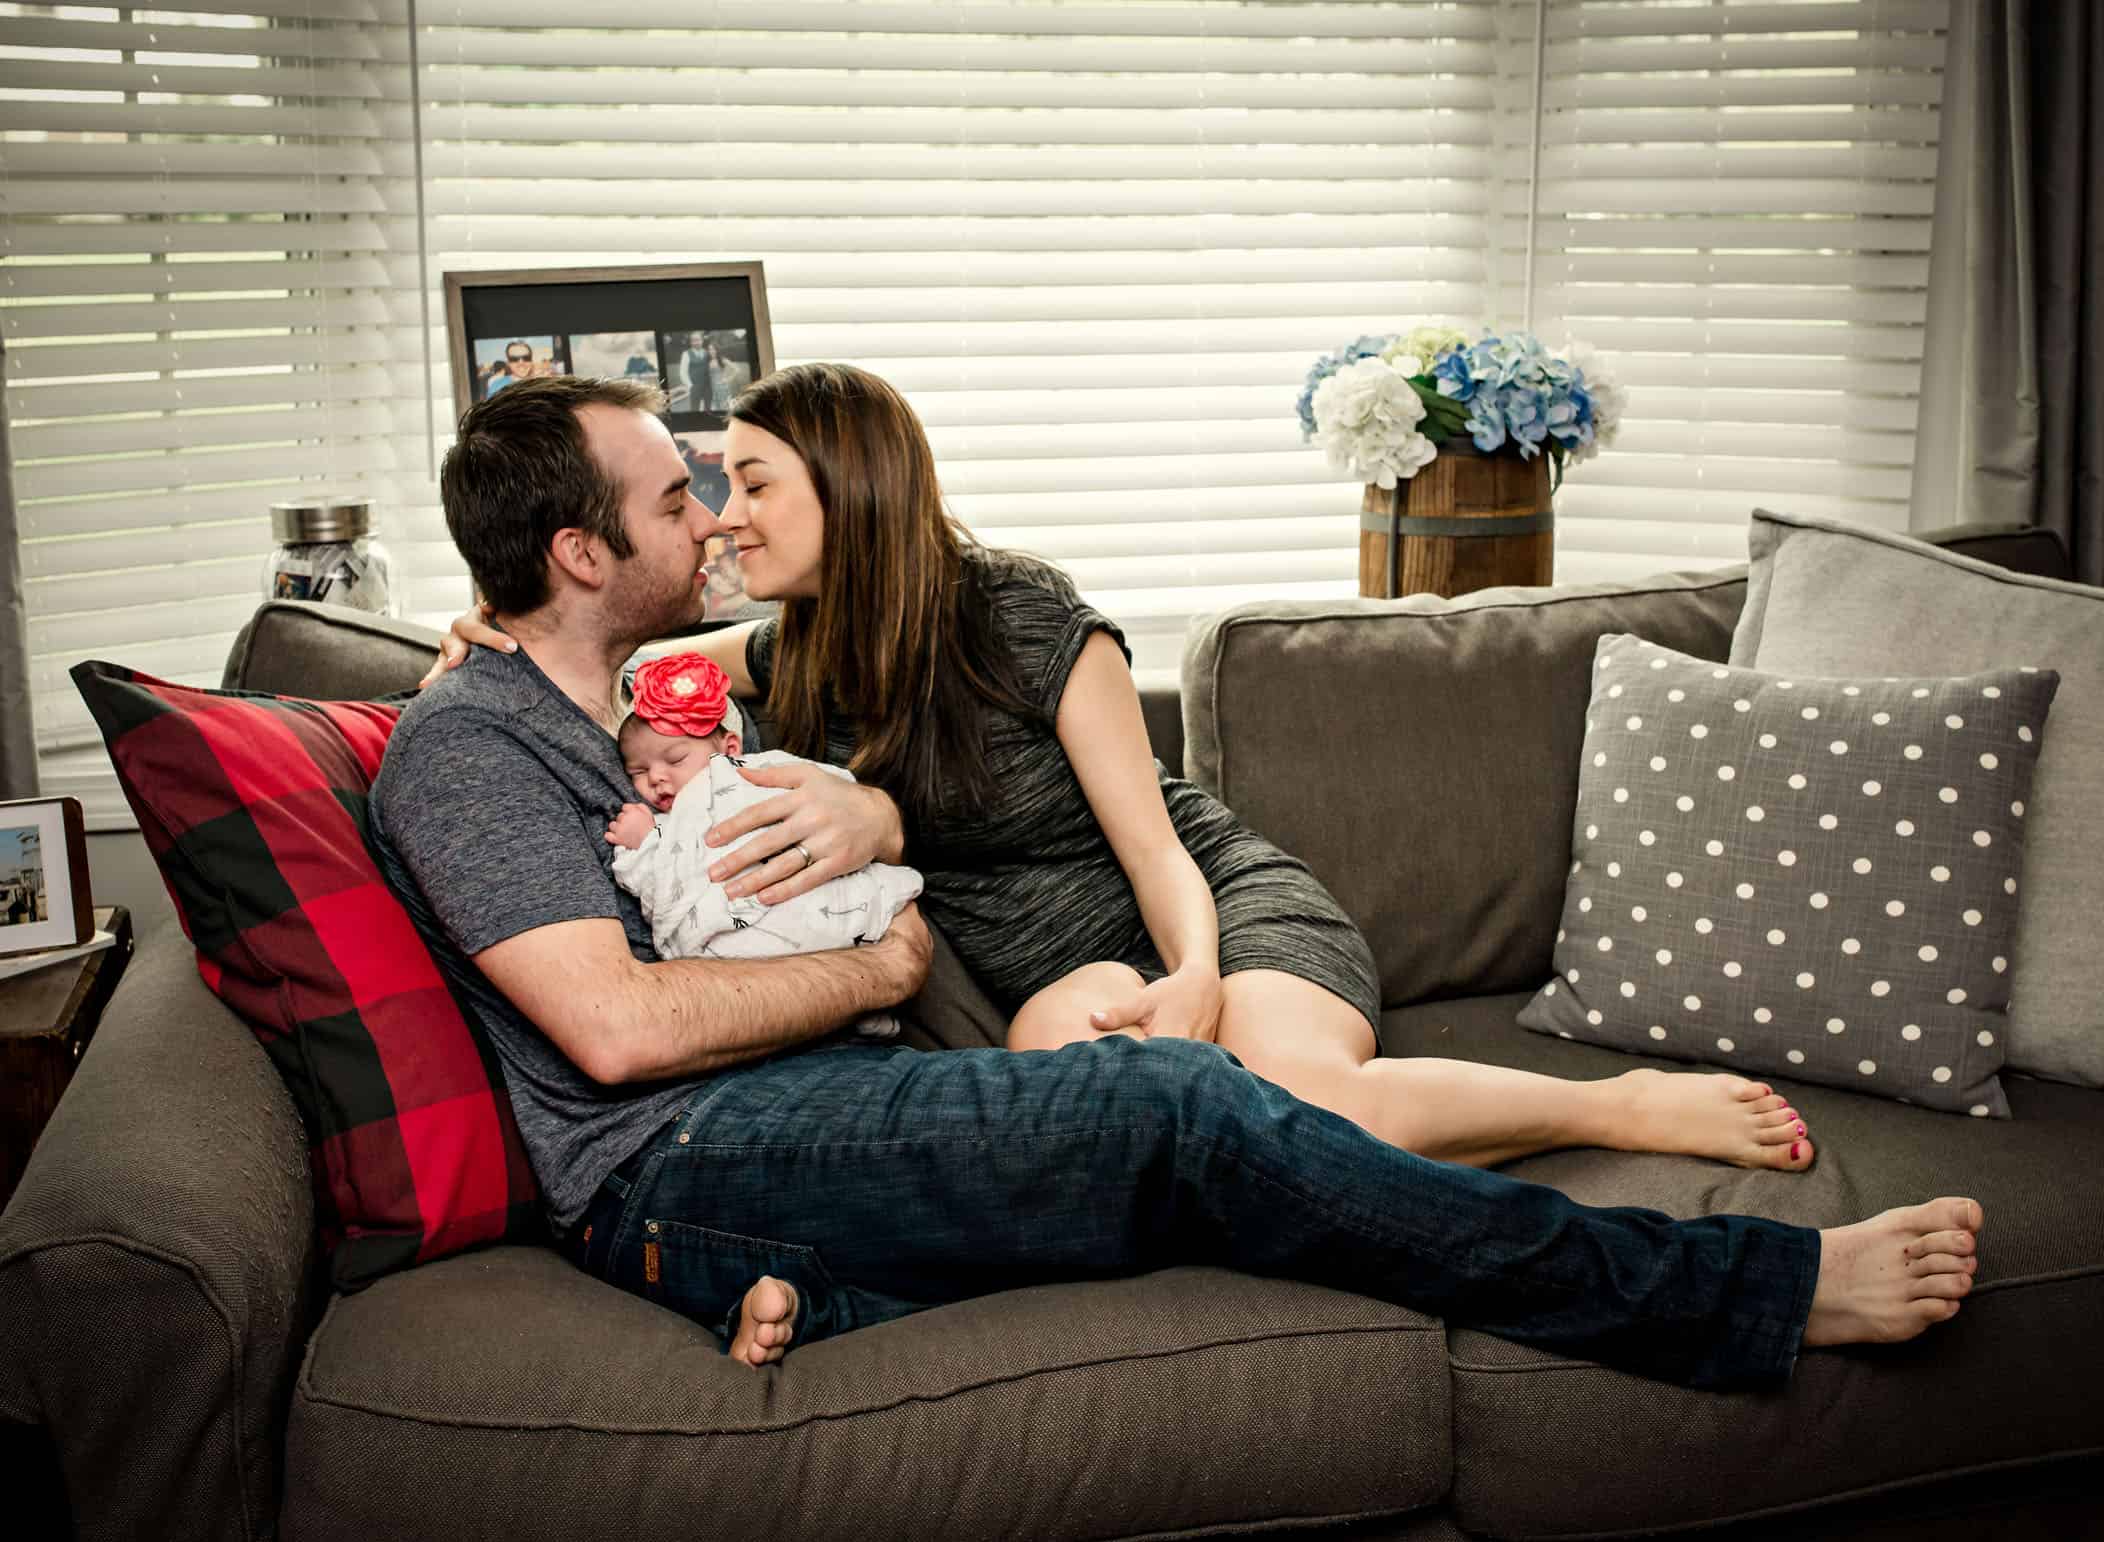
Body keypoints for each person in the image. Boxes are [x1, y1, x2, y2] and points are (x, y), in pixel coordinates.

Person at [386, 371, 1981, 1383]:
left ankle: (801, 1282)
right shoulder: (477, 739)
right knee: (1169, 1109)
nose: (713, 520)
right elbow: (610, 1033)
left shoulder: (652, 690)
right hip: (688, 1139)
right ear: (584, 555)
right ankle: (1746, 1292)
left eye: (730, 486)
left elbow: (775, 799)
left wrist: (877, 852)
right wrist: (880, 968)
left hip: (909, 1043)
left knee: (1200, 1113)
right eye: (680, 497)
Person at [437, 365, 1818, 1178]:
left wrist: (1200, 974)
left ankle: (1617, 1106)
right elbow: (614, 667)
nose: (725, 519)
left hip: (1212, 909)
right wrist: (473, 644)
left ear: (847, 489)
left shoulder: (1022, 614)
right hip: (1059, 982)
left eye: (750, 483)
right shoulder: (787, 656)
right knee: (1085, 1117)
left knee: (1303, 1104)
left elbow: (1162, 845)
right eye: (709, 491)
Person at [607, 650, 921, 1038]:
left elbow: (831, 793)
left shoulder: (755, 773)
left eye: (675, 759)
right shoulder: (667, 827)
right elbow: (663, 879)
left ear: (730, 749)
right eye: (637, 771)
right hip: (742, 946)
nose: (655, 778)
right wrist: (641, 843)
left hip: (809, 896)